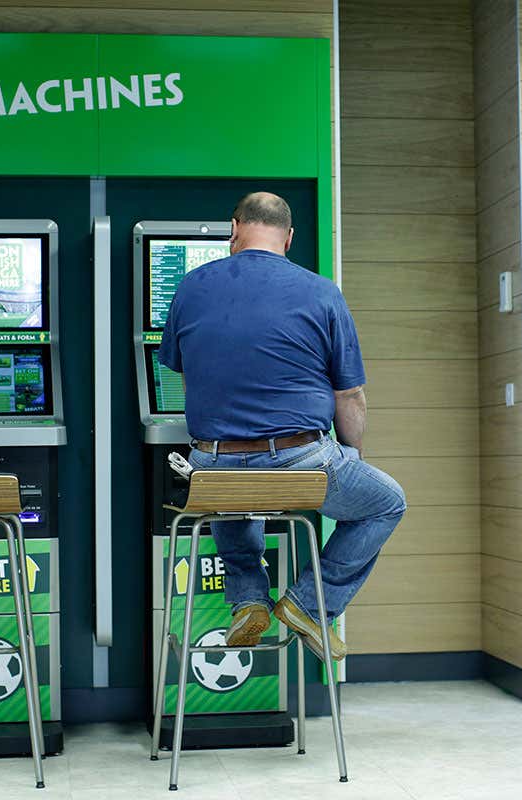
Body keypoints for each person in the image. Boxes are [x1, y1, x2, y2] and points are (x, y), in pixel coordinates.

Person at [157, 192, 406, 661]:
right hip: (299, 460)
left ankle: (249, 598)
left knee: (229, 484)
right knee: (386, 502)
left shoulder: (190, 287)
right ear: (289, 237)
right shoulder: (321, 291)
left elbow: (187, 375)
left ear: (235, 227)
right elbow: (349, 396)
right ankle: (309, 604)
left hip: (213, 462)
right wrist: (352, 454)